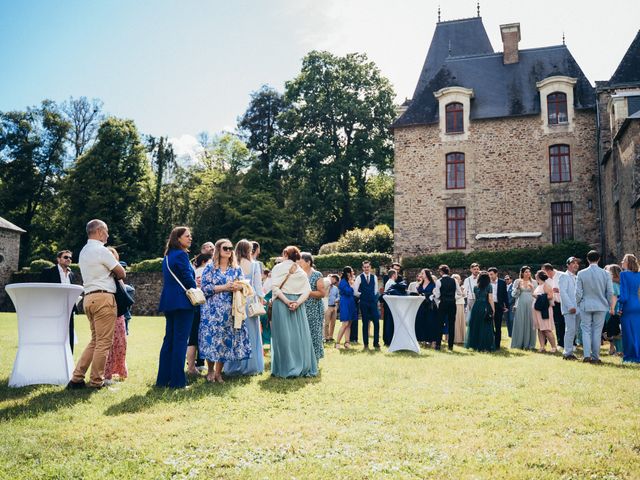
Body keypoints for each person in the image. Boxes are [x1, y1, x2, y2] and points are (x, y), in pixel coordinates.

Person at [67, 219, 126, 390]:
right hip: (104, 298)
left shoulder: (84, 251)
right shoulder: (101, 250)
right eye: (106, 231)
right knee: (103, 343)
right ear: (99, 232)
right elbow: (121, 273)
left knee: (95, 341)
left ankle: (77, 378)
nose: (108, 235)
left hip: (88, 298)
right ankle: (96, 382)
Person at [199, 239, 249, 383]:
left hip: (229, 311)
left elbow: (245, 287)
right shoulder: (210, 267)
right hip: (212, 311)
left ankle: (219, 373)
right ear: (218, 250)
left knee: (224, 341)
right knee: (211, 339)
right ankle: (210, 371)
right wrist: (224, 287)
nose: (228, 250)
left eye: (230, 248)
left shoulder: (236, 268)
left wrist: (238, 287)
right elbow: (205, 288)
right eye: (225, 248)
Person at [155, 227, 197, 388]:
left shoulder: (167, 256)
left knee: (169, 341)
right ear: (178, 238)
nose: (190, 238)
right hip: (182, 302)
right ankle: (178, 382)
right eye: (187, 236)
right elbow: (187, 278)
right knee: (180, 342)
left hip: (169, 302)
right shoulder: (181, 255)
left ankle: (163, 379)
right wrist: (196, 288)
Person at [270, 246, 318, 378]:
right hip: (298, 305)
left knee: (282, 337)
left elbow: (274, 288)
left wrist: (286, 301)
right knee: (299, 337)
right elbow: (307, 291)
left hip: (281, 303)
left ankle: (284, 367)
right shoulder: (301, 271)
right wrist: (297, 303)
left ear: (285, 253)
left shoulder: (277, 268)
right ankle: (301, 364)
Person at [224, 239, 265, 376]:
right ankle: (252, 365)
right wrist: (261, 300)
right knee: (251, 334)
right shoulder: (255, 266)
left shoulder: (232, 265)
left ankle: (234, 365)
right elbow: (258, 287)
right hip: (249, 301)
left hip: (235, 302)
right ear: (249, 250)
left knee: (235, 333)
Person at [576, 250, 614, 363]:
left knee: (586, 330)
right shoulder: (605, 273)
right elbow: (610, 292)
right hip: (601, 305)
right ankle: (596, 356)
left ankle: (587, 355)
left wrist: (578, 302)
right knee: (597, 331)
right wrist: (610, 305)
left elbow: (578, 292)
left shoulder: (581, 273)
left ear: (588, 259)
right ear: (599, 259)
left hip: (586, 305)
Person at [40, 250, 77, 352]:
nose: (68, 259)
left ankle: (69, 356)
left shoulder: (72, 274)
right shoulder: (48, 272)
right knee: (52, 333)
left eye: (70, 258)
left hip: (68, 308)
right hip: (52, 308)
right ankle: (51, 354)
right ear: (58, 259)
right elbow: (42, 290)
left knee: (69, 333)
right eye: (65, 257)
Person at [103, 247, 128, 384]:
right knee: (109, 345)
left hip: (120, 314)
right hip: (109, 312)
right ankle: (106, 375)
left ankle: (120, 371)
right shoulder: (104, 276)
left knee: (121, 343)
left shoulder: (118, 276)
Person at [186, 252, 211, 375]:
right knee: (201, 336)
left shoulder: (194, 271)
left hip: (194, 305)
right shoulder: (206, 271)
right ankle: (196, 366)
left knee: (193, 337)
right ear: (204, 262)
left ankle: (191, 366)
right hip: (203, 305)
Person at [298, 252, 325, 360]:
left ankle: (315, 358)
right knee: (302, 334)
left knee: (314, 333)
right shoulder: (299, 274)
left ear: (308, 262)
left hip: (314, 309)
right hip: (301, 307)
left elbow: (322, 293)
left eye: (301, 261)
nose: (299, 263)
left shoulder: (317, 275)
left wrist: (307, 292)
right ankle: (304, 358)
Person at [433, 265, 463, 350]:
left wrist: (438, 297)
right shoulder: (454, 280)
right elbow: (459, 293)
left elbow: (437, 295)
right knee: (451, 324)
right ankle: (450, 345)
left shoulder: (439, 281)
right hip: (452, 304)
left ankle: (438, 344)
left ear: (441, 272)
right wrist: (453, 298)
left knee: (440, 324)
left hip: (443, 304)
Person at [465, 271, 495, 352]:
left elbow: (476, 298)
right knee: (485, 326)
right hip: (485, 306)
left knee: (476, 326)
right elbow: (490, 299)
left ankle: (475, 345)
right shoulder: (489, 286)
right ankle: (485, 345)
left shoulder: (475, 287)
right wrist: (493, 309)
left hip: (476, 307)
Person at [558, 257, 581, 360]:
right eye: (573, 263)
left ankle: (570, 351)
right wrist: (570, 306)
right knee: (570, 330)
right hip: (569, 309)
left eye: (577, 263)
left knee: (574, 331)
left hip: (578, 309)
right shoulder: (564, 276)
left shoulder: (576, 277)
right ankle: (567, 353)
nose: (576, 265)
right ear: (567, 265)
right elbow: (563, 293)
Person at [619, 253, 640, 363]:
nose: (622, 262)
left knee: (627, 332)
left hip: (628, 306)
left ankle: (630, 356)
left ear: (627, 263)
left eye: (623, 260)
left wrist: (619, 304)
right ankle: (638, 354)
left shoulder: (623, 274)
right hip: (637, 303)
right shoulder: (638, 275)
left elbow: (624, 296)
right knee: (637, 331)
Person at [354, 260, 380, 349]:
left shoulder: (374, 277)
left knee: (376, 322)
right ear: (362, 268)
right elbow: (355, 291)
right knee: (365, 323)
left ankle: (376, 343)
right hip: (364, 303)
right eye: (365, 267)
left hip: (373, 303)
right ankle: (366, 344)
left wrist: (373, 298)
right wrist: (362, 295)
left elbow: (376, 290)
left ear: (370, 267)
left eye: (368, 267)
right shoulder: (359, 277)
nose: (366, 268)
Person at [510, 266, 537, 350]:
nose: (528, 273)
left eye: (529, 272)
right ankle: (518, 343)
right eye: (526, 272)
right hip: (520, 304)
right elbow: (514, 295)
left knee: (530, 322)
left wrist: (532, 289)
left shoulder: (534, 282)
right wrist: (517, 288)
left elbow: (536, 294)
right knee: (520, 322)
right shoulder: (517, 281)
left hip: (531, 304)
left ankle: (530, 344)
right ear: (522, 273)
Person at [532, 270, 558, 353]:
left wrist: (538, 296)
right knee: (540, 329)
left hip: (544, 310)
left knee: (546, 329)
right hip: (537, 310)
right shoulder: (538, 286)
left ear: (539, 276)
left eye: (536, 274)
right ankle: (542, 346)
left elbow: (550, 296)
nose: (535, 275)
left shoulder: (546, 285)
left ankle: (554, 347)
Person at [542, 263, 565, 349]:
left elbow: (570, 288)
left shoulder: (562, 275)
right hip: (553, 304)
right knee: (557, 324)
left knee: (566, 323)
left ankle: (571, 343)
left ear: (548, 270)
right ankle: (560, 343)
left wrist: (560, 290)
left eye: (544, 272)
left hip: (564, 303)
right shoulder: (546, 280)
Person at [487, 267, 509, 350]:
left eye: (492, 274)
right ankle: (490, 342)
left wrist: (506, 306)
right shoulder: (487, 282)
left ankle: (497, 345)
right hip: (489, 306)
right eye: (489, 274)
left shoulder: (502, 282)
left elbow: (505, 295)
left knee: (498, 326)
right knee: (489, 325)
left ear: (496, 274)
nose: (490, 276)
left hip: (498, 306)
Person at [604, 264, 623, 356]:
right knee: (614, 330)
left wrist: (611, 309)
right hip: (614, 308)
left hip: (612, 309)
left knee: (615, 330)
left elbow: (614, 297)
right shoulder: (618, 284)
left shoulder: (613, 284)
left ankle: (619, 350)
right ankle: (614, 348)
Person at [336, 266, 357, 349]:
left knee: (349, 324)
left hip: (350, 302)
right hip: (345, 303)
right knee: (345, 323)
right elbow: (348, 292)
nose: (353, 273)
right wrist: (352, 285)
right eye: (351, 271)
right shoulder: (343, 282)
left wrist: (351, 283)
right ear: (348, 273)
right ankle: (337, 343)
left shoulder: (348, 281)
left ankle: (347, 342)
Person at [415, 269, 436, 346]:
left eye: (422, 273)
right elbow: (417, 293)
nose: (421, 274)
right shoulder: (419, 285)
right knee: (420, 321)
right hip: (421, 306)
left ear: (427, 274)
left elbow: (435, 294)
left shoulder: (433, 284)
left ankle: (430, 340)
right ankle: (421, 339)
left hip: (429, 306)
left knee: (430, 322)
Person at [324, 274, 339, 342]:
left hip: (334, 307)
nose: (333, 280)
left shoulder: (336, 288)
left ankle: (331, 336)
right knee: (326, 323)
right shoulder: (325, 286)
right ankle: (326, 337)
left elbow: (338, 296)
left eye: (334, 279)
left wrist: (337, 300)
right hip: (328, 307)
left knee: (333, 323)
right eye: (332, 278)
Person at [451, 274, 466, 345]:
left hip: (461, 304)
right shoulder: (451, 287)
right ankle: (456, 338)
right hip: (455, 304)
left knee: (461, 321)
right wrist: (461, 294)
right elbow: (454, 296)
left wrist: (462, 293)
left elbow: (465, 295)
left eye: (458, 279)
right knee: (456, 321)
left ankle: (462, 337)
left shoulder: (462, 287)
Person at [260, 268, 272, 347]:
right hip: (268, 303)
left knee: (265, 322)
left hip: (266, 303)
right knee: (267, 323)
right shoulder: (272, 280)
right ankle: (267, 340)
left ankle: (265, 340)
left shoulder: (267, 281)